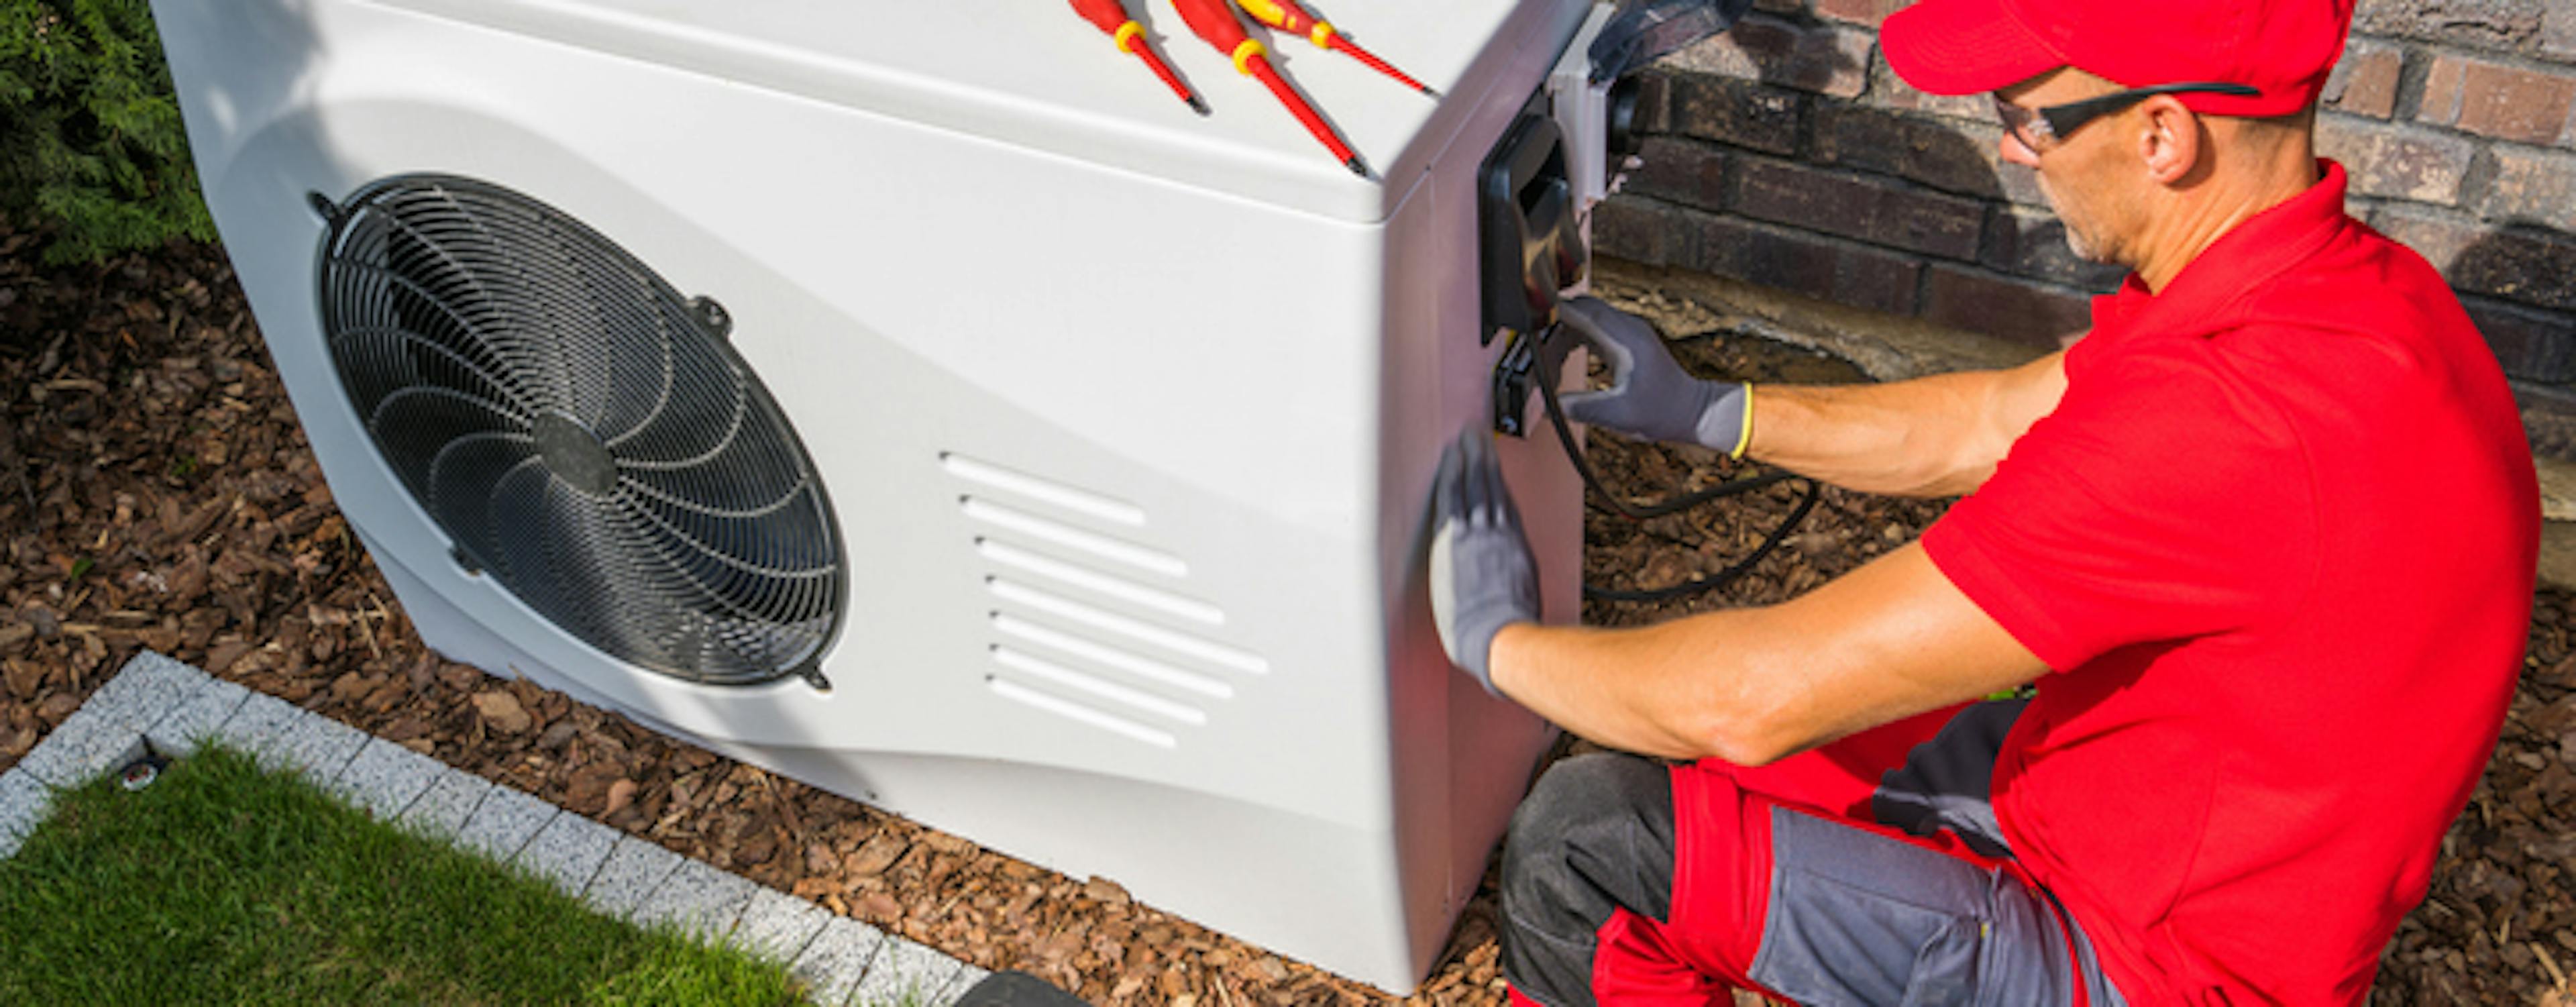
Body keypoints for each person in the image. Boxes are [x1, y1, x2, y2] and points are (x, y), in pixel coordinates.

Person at [1424, 0, 2540, 1002]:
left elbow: (1749, 696)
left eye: (2030, 115)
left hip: (2148, 964)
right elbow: (1996, 421)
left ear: (2163, 135)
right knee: (1759, 773)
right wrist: (1718, 410)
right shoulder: (2351, 297)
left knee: (1586, 842)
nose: (2012, 148)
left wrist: (1496, 646)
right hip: (2181, 829)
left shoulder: (2225, 422)